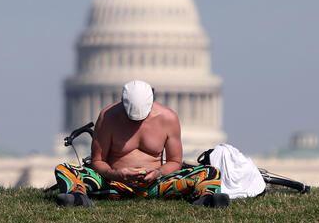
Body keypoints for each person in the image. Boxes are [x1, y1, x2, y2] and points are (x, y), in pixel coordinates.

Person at [54, 80, 230, 208]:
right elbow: (97, 161)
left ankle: (207, 198)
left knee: (210, 171)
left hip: (156, 185)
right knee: (64, 169)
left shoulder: (168, 118)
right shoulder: (107, 117)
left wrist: (158, 173)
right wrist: (116, 174)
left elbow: (175, 161)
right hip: (115, 185)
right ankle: (77, 196)